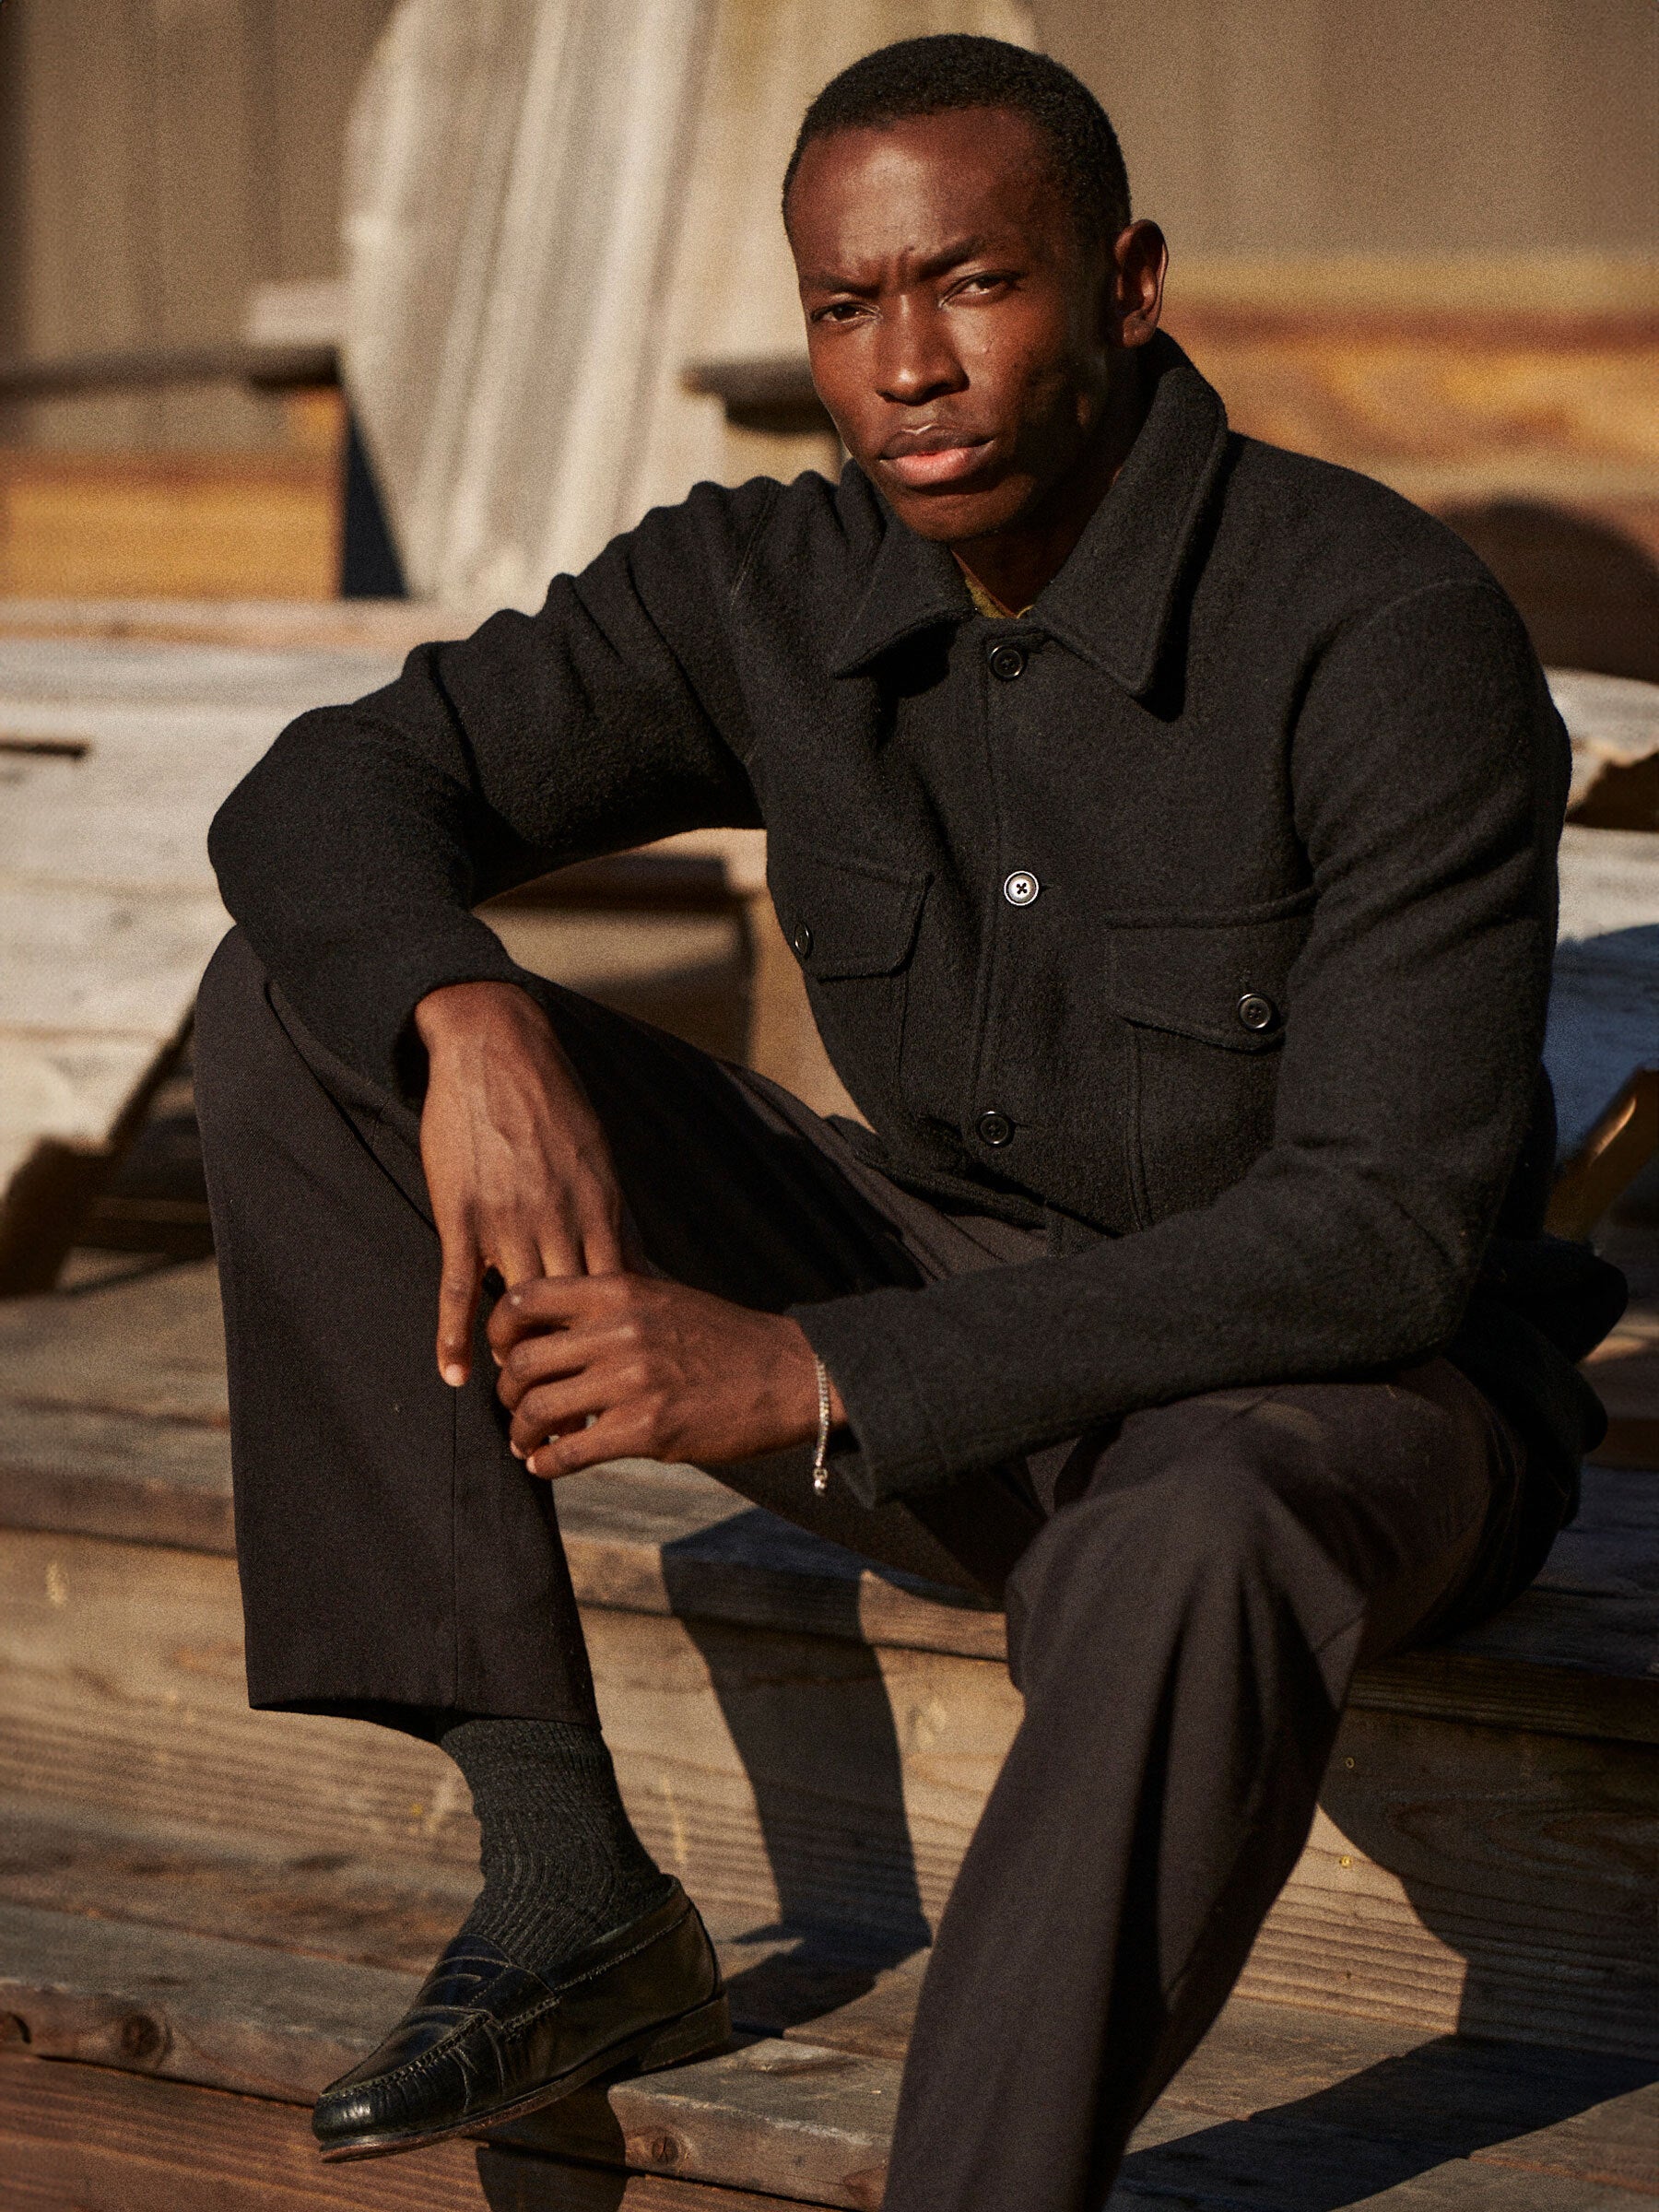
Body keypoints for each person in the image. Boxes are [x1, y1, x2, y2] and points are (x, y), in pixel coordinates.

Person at [194, 33, 1623, 2211]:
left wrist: (811, 1369)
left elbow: (1381, 1239)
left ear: (1126, 283)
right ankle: (568, 1875)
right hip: (957, 1320)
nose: (909, 368)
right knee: (314, 1002)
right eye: (848, 306)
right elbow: (325, 792)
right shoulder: (766, 587)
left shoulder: (1378, 628)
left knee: (1191, 1531)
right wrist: (466, 1012)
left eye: (972, 283)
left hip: (1340, 1405)